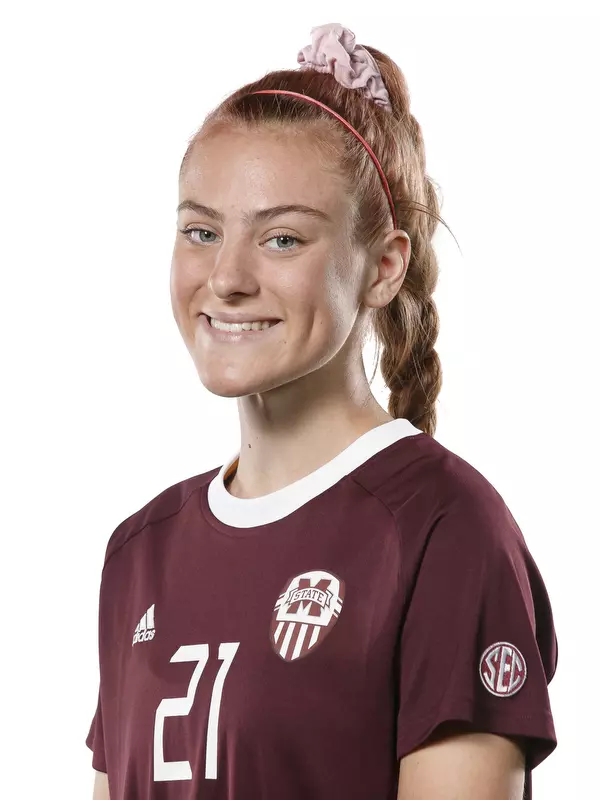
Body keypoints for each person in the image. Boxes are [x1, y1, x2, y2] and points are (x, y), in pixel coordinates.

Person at [86, 22, 558, 800]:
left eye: (281, 239)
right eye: (201, 232)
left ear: (382, 268)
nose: (227, 277)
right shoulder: (138, 552)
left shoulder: (445, 530)